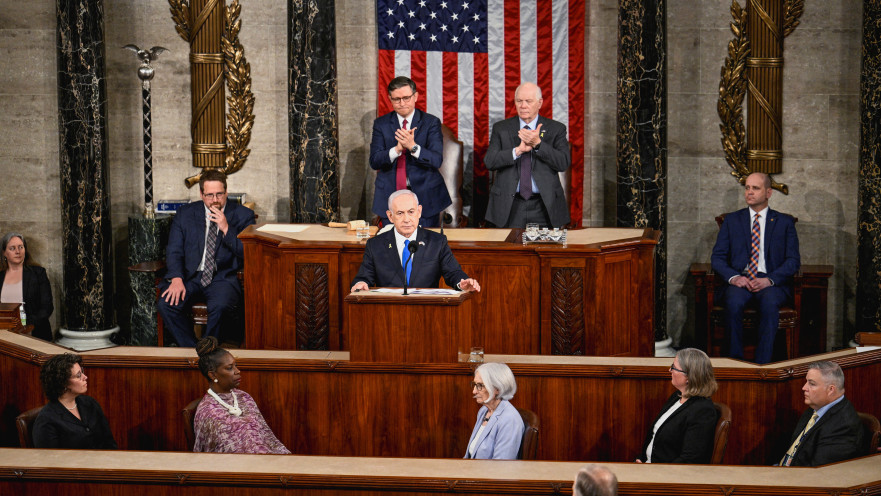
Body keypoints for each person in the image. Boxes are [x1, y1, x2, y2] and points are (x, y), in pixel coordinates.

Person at [711, 172, 800, 364]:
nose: (749, 192)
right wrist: (734, 278)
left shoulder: (784, 222)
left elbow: (793, 260)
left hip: (771, 282)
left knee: (769, 303)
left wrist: (769, 280)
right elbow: (717, 258)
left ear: (769, 193)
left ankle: (763, 365)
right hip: (740, 280)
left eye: (755, 188)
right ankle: (735, 362)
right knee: (733, 302)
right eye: (747, 188)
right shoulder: (732, 221)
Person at [158, 170, 255, 347]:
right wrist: (176, 278)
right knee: (167, 304)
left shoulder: (242, 215)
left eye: (219, 194)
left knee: (220, 306)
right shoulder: (185, 214)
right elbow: (174, 250)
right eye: (209, 195)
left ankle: (209, 351)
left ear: (226, 192)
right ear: (201, 194)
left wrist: (226, 228)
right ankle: (194, 350)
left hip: (222, 277)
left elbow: (247, 252)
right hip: (190, 276)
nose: (215, 200)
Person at [350, 190, 480, 292]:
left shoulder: (436, 242)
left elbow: (454, 272)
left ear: (419, 211)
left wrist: (462, 282)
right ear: (390, 216)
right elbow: (363, 277)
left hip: (427, 312)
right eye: (400, 213)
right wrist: (361, 284)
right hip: (389, 313)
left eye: (411, 212)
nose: (407, 219)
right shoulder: (375, 245)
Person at [484, 82, 571, 228]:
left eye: (528, 101)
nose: (523, 106)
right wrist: (517, 151)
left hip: (544, 206)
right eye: (519, 101)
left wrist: (538, 144)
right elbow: (490, 162)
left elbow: (563, 163)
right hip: (509, 206)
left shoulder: (556, 129)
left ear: (540, 103)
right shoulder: (501, 128)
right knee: (508, 251)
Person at [369, 76, 450, 227]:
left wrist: (412, 146)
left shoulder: (431, 122)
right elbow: (374, 161)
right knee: (391, 247)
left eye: (406, 98)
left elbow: (436, 160)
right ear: (390, 99)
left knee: (425, 247)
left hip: (425, 197)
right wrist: (397, 149)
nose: (402, 103)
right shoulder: (381, 124)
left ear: (415, 96)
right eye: (397, 99)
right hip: (390, 197)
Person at [193, 336, 290, 454]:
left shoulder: (244, 397)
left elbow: (266, 437)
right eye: (229, 368)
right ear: (213, 375)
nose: (237, 371)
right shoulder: (208, 411)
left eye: (235, 365)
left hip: (266, 461)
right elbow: (214, 455)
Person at [636, 348, 718, 464]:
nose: (670, 370)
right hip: (649, 466)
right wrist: (641, 458)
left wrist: (653, 471)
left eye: (674, 367)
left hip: (666, 475)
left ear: (689, 377)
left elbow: (689, 459)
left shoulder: (702, 411)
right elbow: (655, 436)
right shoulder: (677, 396)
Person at [779, 361, 864, 466]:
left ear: (830, 390)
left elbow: (819, 473)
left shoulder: (843, 427)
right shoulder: (815, 407)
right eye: (806, 382)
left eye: (812, 384)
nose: (804, 388)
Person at [32, 353, 117, 449]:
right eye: (78, 375)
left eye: (82, 372)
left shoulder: (90, 403)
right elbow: (50, 460)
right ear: (63, 383)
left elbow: (109, 443)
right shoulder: (46, 420)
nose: (85, 377)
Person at [464, 362, 524, 460]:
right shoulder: (484, 411)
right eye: (474, 385)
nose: (474, 391)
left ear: (497, 389)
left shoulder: (510, 420)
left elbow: (501, 467)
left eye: (480, 385)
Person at [0, 232, 54, 341]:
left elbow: (47, 307)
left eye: (21, 247)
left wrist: (27, 326)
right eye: (12, 248)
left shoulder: (38, 273)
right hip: (5, 336)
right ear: (4, 253)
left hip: (35, 334)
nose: (18, 251)